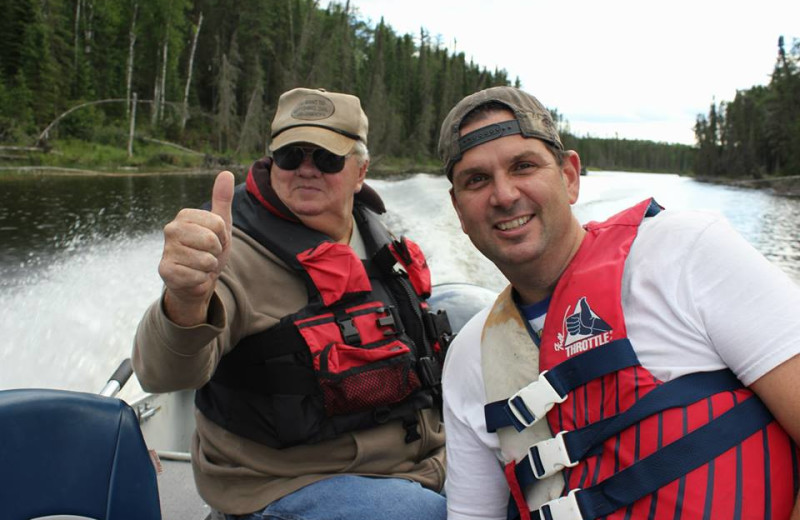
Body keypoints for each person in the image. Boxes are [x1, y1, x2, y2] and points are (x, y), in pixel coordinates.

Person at [438, 86, 800, 520]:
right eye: (477, 180)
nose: (504, 195)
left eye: (524, 166)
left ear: (570, 176)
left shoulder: (684, 253)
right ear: (459, 210)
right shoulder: (467, 358)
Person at [133, 87, 452, 520]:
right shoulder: (229, 254)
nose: (306, 170)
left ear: (360, 172)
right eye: (290, 156)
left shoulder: (378, 237)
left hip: (422, 464)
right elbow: (162, 372)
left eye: (326, 158)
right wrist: (186, 297)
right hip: (290, 486)